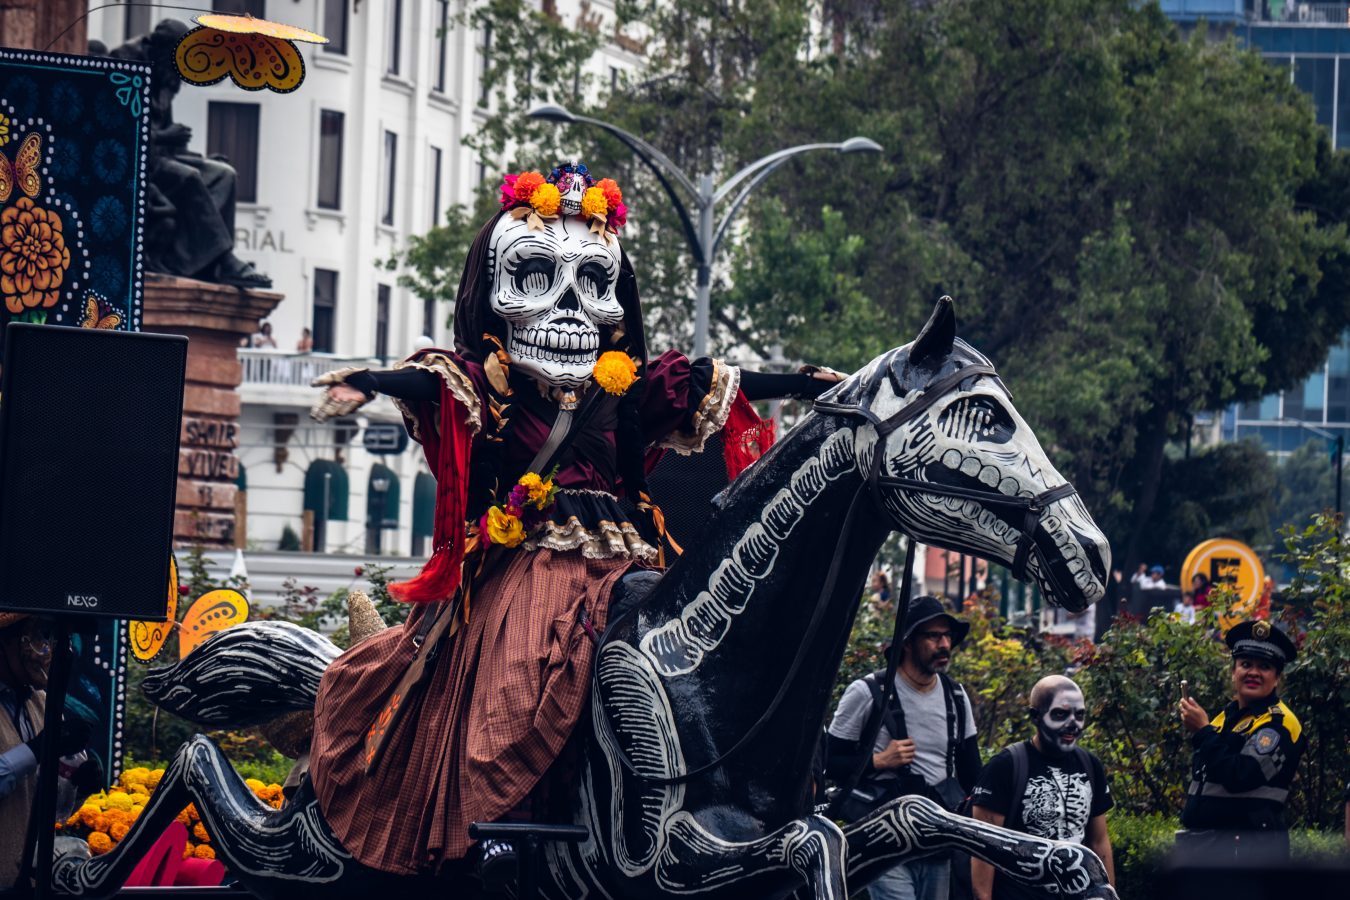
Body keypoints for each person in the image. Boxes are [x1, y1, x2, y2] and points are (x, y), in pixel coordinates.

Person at [304, 161, 842, 882]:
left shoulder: (629, 387)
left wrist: (807, 383)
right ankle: (496, 827)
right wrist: (366, 381)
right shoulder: (491, 383)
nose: (570, 311)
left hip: (630, 559)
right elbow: (433, 382)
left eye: (594, 285)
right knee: (519, 674)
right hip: (529, 558)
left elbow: (721, 376)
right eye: (535, 277)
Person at [826, 596, 981, 900]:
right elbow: (828, 763)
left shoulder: (956, 697)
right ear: (908, 642)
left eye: (948, 636)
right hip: (884, 838)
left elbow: (972, 772)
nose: (945, 644)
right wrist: (878, 761)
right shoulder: (867, 692)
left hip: (936, 837)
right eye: (934, 636)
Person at [969, 675, 1115, 900]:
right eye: (1060, 714)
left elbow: (1099, 841)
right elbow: (984, 847)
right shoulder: (1005, 766)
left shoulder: (1090, 765)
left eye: (1080, 715)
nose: (1073, 723)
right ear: (1035, 716)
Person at [1176, 619, 1304, 864]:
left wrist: (1203, 731)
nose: (1253, 672)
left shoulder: (1281, 723)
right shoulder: (1223, 719)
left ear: (1277, 677)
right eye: (1245, 664)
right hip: (1207, 851)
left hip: (1250, 856)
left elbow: (1242, 775)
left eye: (1264, 666)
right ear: (1234, 671)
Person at [0, 613, 92, 888]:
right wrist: (36, 750)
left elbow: (51, 809)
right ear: (6, 641)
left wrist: (79, 785)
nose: (48, 650)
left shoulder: (42, 703)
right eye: (40, 635)